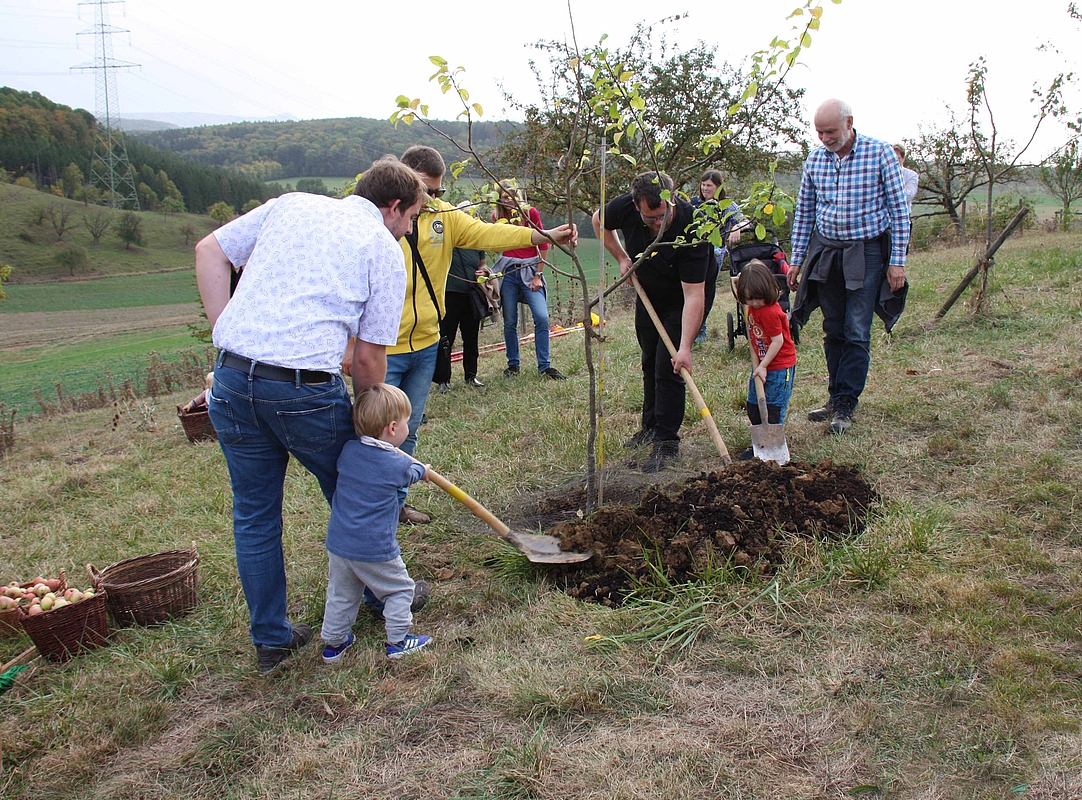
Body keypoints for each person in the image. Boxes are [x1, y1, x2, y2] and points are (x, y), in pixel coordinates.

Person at [195, 156, 426, 674]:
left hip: (232, 381)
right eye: (411, 218)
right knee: (358, 485)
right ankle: (385, 596)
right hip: (302, 391)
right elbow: (368, 358)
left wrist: (226, 332)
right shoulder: (382, 249)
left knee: (254, 514)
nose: (409, 228)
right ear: (393, 208)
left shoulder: (290, 205)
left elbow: (209, 250)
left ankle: (271, 640)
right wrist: (375, 435)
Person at [343, 146, 577, 526]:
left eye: (438, 192)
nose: (433, 200)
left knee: (408, 428)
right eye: (426, 191)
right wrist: (351, 344)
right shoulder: (372, 220)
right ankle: (369, 511)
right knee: (370, 434)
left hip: (426, 342)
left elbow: (489, 232)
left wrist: (541, 235)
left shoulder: (443, 218)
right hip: (381, 348)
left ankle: (396, 505)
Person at [787, 99, 910, 435]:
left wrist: (897, 261)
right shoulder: (815, 159)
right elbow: (805, 213)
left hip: (866, 253)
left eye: (831, 131)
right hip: (827, 252)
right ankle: (833, 396)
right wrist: (797, 259)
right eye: (820, 132)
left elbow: (899, 212)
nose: (825, 138)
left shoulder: (880, 153)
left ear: (849, 123)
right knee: (834, 327)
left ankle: (846, 404)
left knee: (857, 328)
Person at [592, 171, 711, 472]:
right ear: (636, 206)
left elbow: (695, 295)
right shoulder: (624, 207)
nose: (659, 224)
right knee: (649, 359)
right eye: (651, 219)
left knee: (667, 364)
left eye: (663, 217)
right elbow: (598, 221)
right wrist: (621, 257)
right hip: (649, 293)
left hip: (684, 300)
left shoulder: (693, 227)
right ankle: (650, 426)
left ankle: (667, 442)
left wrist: (685, 348)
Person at [320, 383, 433, 663]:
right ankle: (398, 640)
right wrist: (425, 471)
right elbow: (412, 471)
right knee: (400, 589)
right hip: (374, 547)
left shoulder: (348, 450)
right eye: (406, 422)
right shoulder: (396, 465)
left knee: (342, 594)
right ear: (393, 429)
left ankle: (334, 644)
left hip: (339, 543)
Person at [492, 181, 568, 381]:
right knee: (510, 321)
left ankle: (544, 366)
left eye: (511, 195)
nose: (508, 200)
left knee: (541, 317)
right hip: (509, 271)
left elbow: (543, 243)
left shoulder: (530, 213)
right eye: (504, 196)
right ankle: (513, 365)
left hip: (530, 269)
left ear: (518, 196)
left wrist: (538, 275)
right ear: (499, 198)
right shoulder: (497, 217)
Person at [736, 259, 797, 459]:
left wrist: (763, 366)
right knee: (753, 406)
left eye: (757, 298)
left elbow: (777, 342)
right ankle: (759, 446)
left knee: (772, 409)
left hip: (779, 366)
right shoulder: (753, 307)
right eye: (749, 298)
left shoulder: (770, 311)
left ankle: (772, 451)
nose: (753, 303)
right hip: (762, 364)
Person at [688, 170, 745, 344]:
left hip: (715, 254)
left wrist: (736, 228)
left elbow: (743, 220)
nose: (705, 189)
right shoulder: (694, 204)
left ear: (718, 187)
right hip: (693, 252)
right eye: (703, 185)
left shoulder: (726, 205)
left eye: (709, 186)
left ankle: (700, 332)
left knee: (705, 292)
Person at [439, 246, 490, 392]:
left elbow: (482, 263)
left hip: (471, 294)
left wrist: (484, 271)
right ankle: (443, 379)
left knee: (471, 337)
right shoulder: (450, 239)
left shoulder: (476, 241)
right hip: (449, 294)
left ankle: (471, 376)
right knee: (446, 338)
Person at [893, 144, 919, 211]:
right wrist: (904, 187)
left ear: (903, 158)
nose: (895, 161)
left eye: (898, 158)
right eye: (893, 158)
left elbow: (909, 196)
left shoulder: (912, 175)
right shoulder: (882, 174)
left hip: (904, 216)